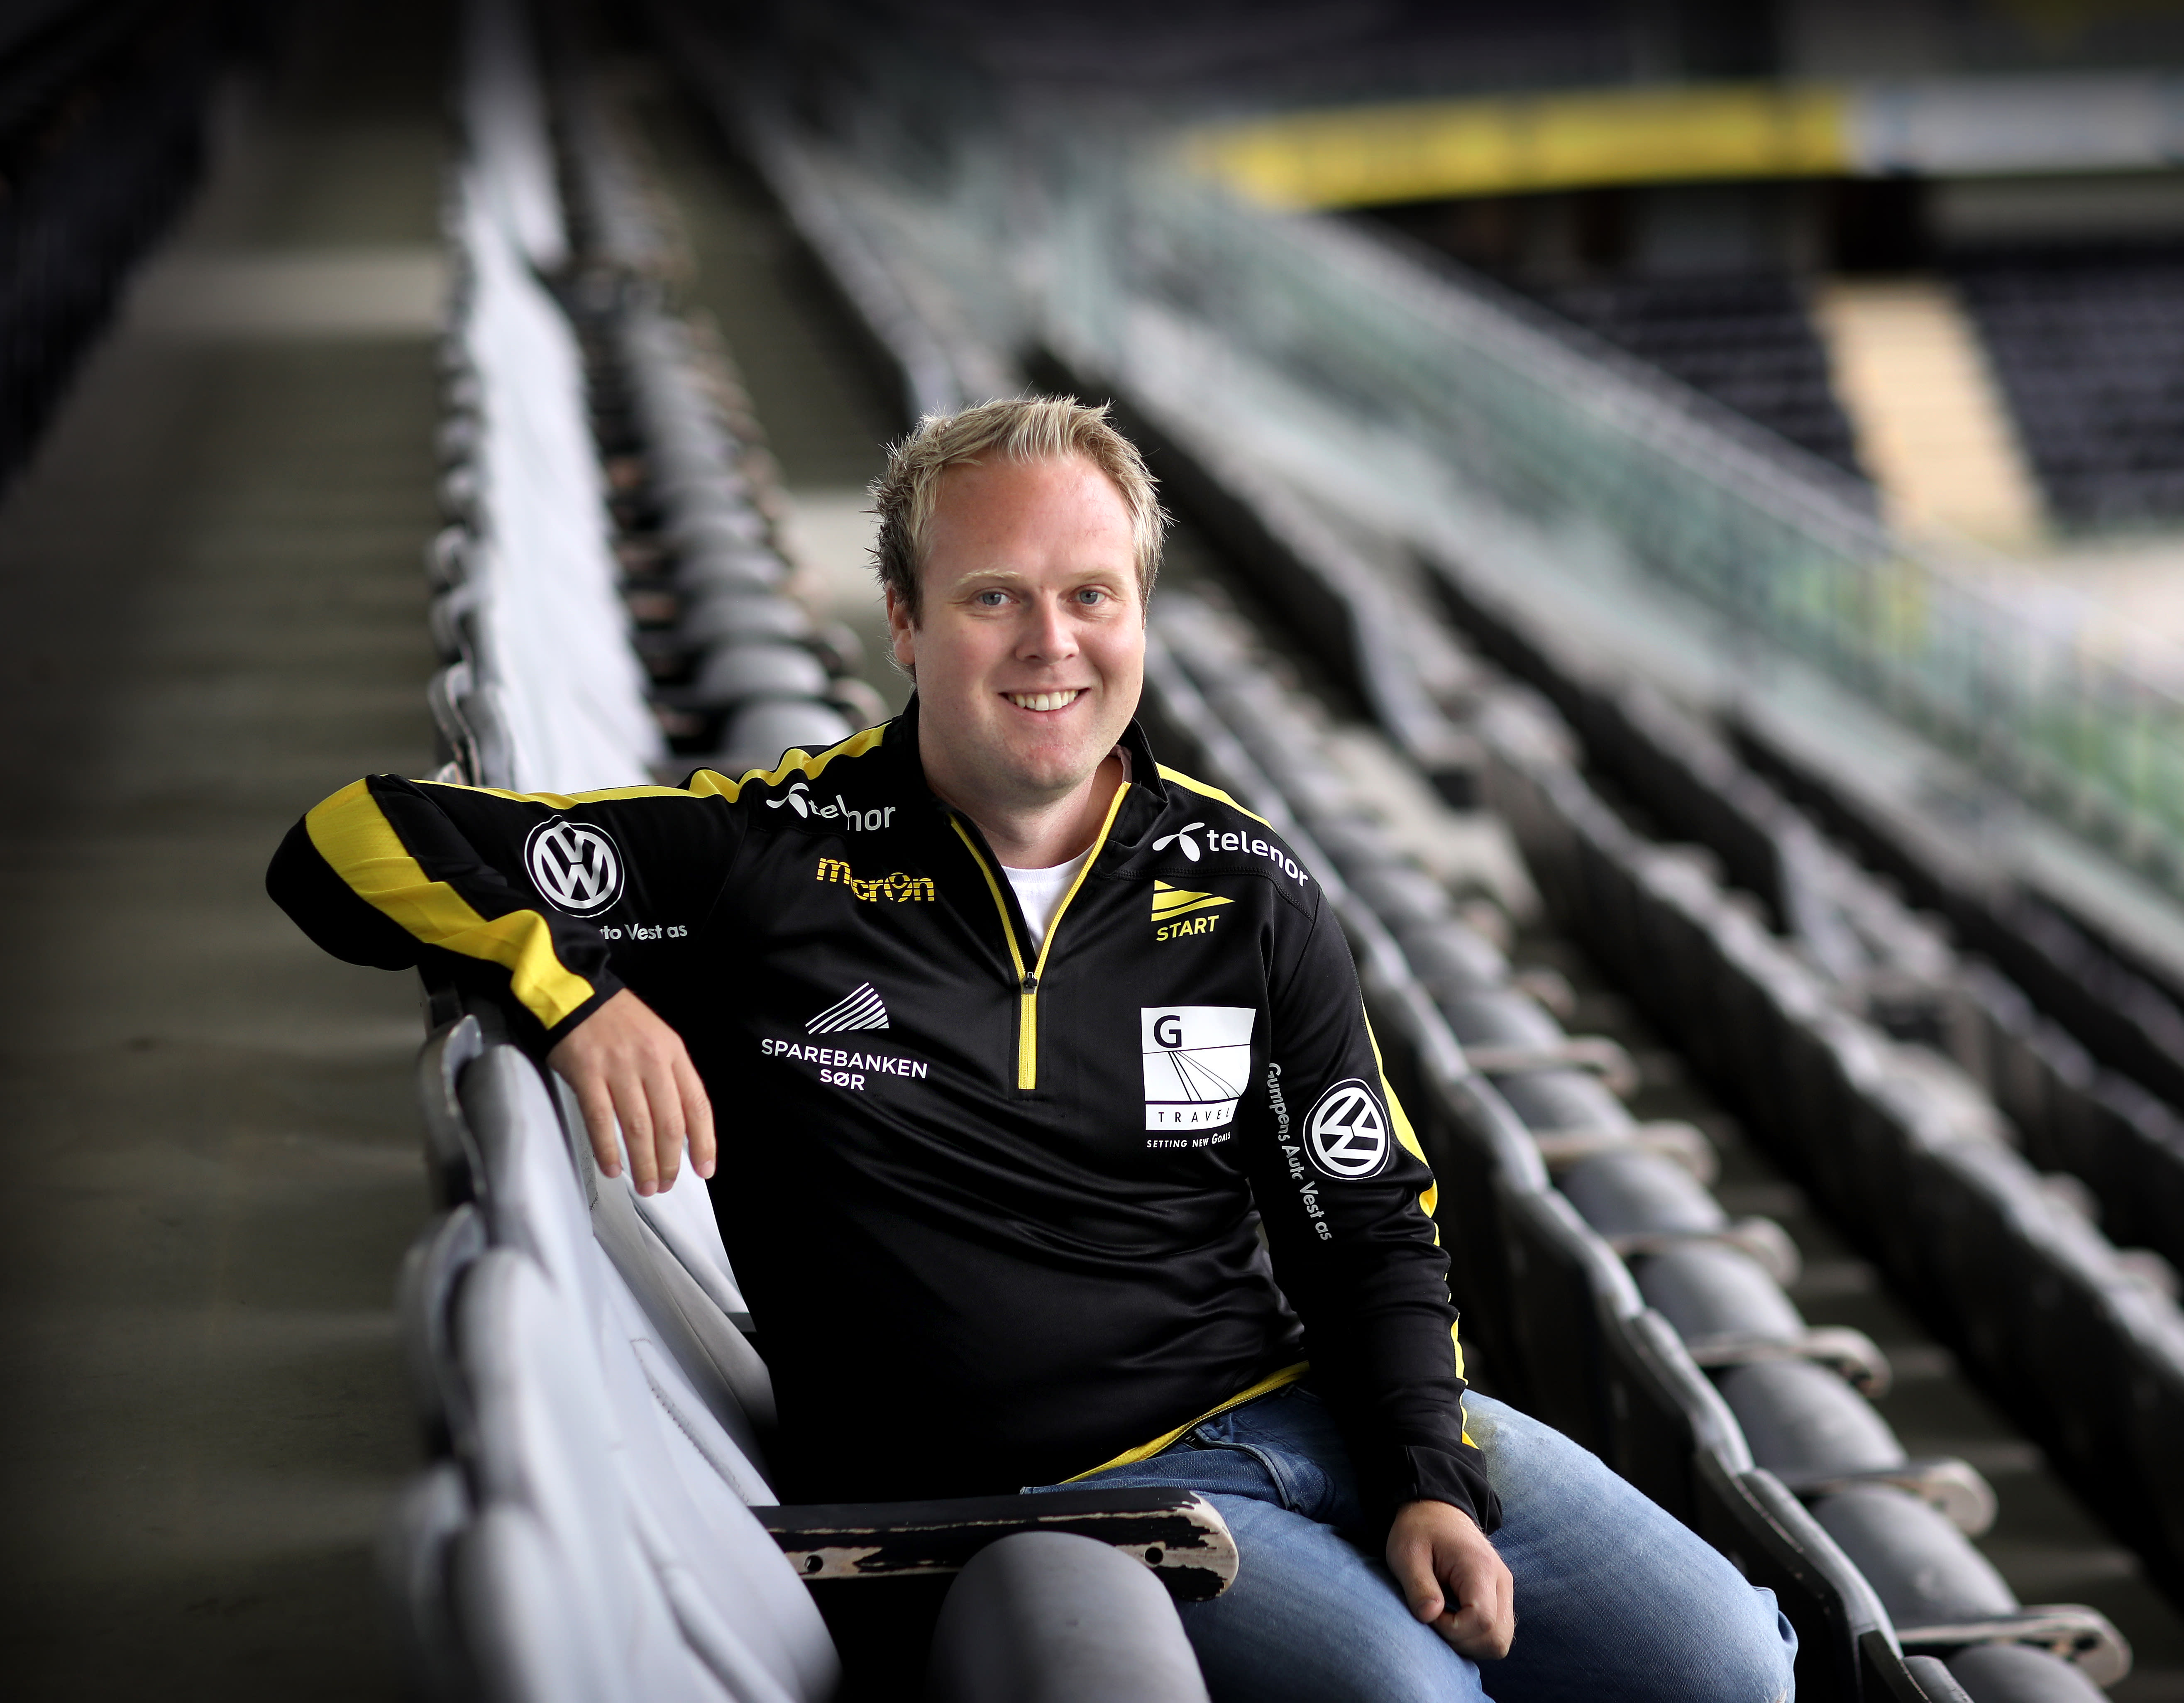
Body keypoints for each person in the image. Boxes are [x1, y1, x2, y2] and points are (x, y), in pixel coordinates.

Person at [268, 396, 1795, 1702]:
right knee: (1413, 1696)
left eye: (1091, 595)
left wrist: (1424, 1477)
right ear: (905, 621)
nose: (1049, 643)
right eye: (994, 596)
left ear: (1139, 614)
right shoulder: (767, 861)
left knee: (1734, 1664)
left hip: (1313, 1410)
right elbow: (350, 839)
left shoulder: (1242, 885)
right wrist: (572, 995)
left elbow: (1367, 1222)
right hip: (1066, 1497)